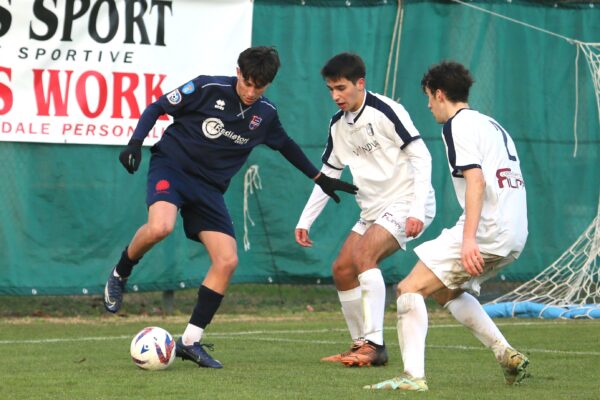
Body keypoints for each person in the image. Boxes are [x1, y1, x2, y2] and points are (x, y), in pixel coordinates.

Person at [102, 46, 358, 369]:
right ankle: (121, 270)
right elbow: (157, 107)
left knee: (227, 260)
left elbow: (286, 146)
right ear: (238, 72)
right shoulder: (208, 88)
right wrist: (135, 143)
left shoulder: (265, 114)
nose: (251, 92)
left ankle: (190, 342)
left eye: (259, 87)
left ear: (268, 85)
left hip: (208, 189)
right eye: (247, 82)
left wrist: (320, 178)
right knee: (160, 227)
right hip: (172, 167)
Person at [365, 61, 529, 391]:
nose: (427, 105)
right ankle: (505, 354)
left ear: (440, 94)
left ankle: (413, 378)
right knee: (444, 289)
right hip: (515, 232)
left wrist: (469, 239)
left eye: (428, 97)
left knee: (409, 289)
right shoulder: (491, 124)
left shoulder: (456, 125)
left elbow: (476, 181)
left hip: (487, 228)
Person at [295, 53, 436, 367]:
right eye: (331, 89)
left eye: (341, 88)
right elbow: (329, 175)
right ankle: (362, 345)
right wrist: (306, 220)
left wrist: (415, 209)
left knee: (363, 257)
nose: (336, 96)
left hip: (408, 201)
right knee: (343, 270)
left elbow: (422, 157)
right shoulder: (338, 125)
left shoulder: (386, 111)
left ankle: (374, 344)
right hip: (373, 210)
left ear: (361, 83)